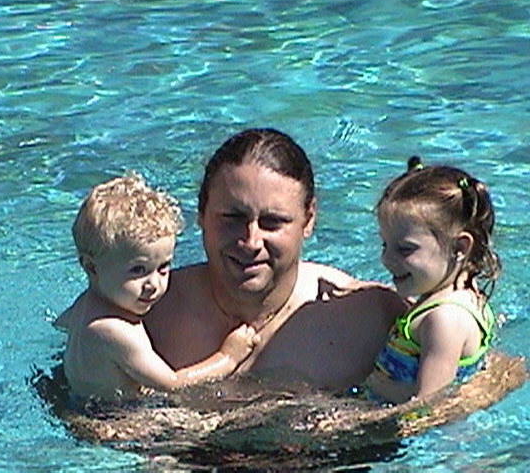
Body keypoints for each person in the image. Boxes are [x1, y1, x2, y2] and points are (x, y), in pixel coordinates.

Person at [144, 128, 407, 390]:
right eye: (232, 218)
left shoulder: (368, 319)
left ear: (308, 220)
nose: (251, 242)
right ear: (201, 213)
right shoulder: (147, 315)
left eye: (273, 222)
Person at [54, 175, 259, 401]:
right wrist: (228, 356)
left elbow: (61, 325)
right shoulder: (117, 331)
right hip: (115, 416)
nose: (154, 284)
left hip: (77, 398)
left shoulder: (85, 303)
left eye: (163, 267)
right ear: (91, 267)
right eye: (138, 270)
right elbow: (173, 383)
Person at [364, 156, 501, 403]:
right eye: (385, 245)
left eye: (405, 249)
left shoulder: (444, 320)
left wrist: (369, 387)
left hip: (397, 425)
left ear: (460, 247)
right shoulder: (468, 295)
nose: (386, 259)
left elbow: (430, 405)